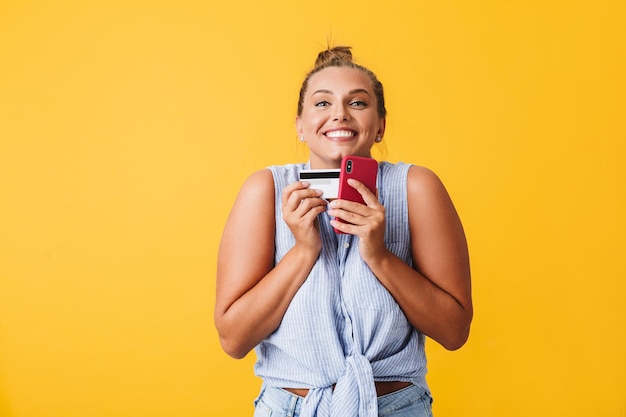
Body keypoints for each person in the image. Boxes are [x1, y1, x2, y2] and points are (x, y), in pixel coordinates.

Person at [214, 46, 473, 417]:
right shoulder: (266, 190)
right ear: (300, 126)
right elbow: (234, 339)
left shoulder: (416, 188)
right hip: (290, 408)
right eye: (322, 104)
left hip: (395, 407)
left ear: (380, 124)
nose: (339, 114)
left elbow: (454, 330)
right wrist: (303, 251)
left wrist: (379, 256)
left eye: (357, 102)